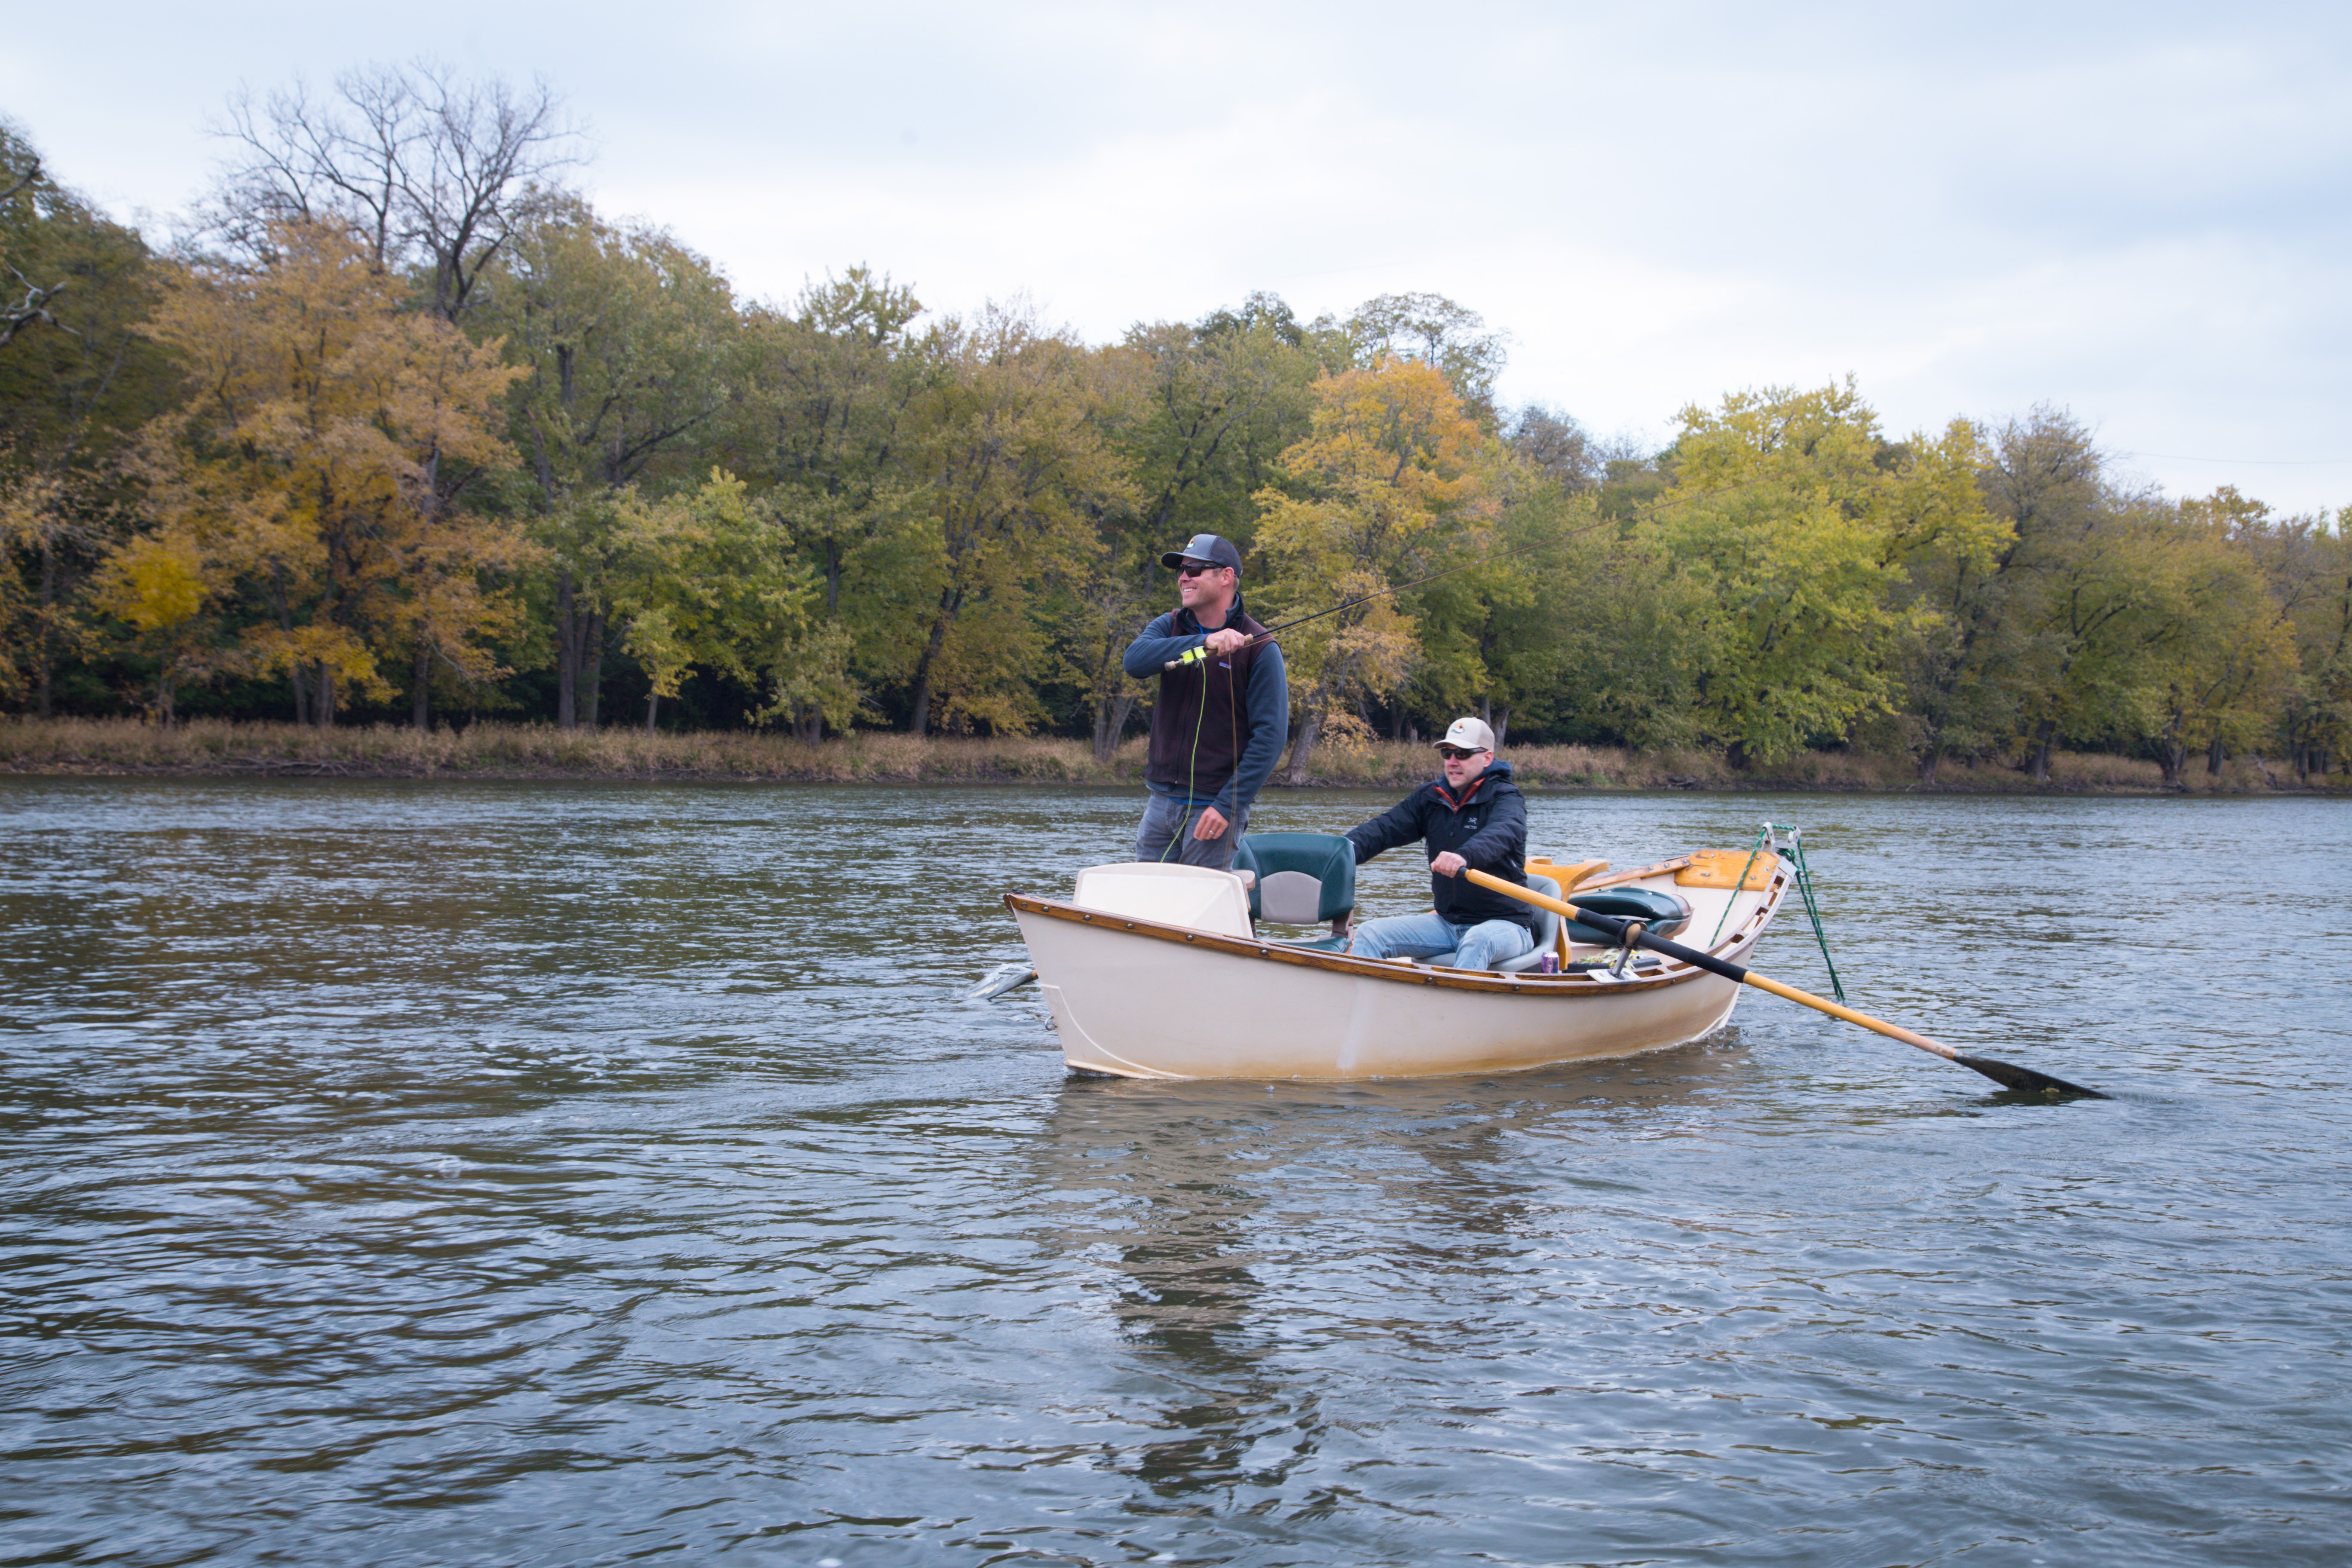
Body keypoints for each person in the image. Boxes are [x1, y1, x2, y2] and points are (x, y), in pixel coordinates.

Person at [1121, 533, 1289, 870]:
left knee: (1196, 912)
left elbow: (1270, 740)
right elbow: (1134, 662)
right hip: (1161, 802)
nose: (1184, 577)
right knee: (1144, 904)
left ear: (1226, 577)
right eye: (1181, 570)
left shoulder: (1261, 649)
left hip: (1213, 808)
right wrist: (1205, 641)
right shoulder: (1169, 626)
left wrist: (1228, 806)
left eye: (1195, 569)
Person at [1342, 717, 1537, 971]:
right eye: (1448, 753)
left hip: (1507, 925)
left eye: (1463, 754)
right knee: (1370, 933)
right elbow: (1383, 829)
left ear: (1487, 759)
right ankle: (1367, 1006)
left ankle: (1456, 1009)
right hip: (1447, 924)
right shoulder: (1431, 798)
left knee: (1476, 940)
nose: (1453, 762)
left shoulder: (1506, 796)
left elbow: (1505, 831)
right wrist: (1338, 853)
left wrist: (1464, 856)